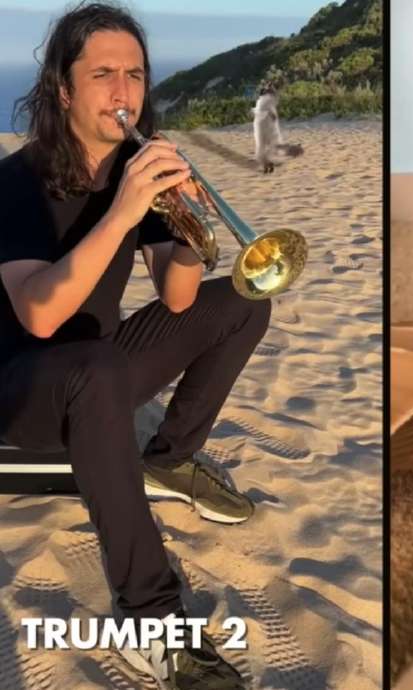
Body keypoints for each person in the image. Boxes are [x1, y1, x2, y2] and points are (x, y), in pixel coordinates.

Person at [0, 3, 265, 686]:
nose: (124, 95)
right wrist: (122, 215)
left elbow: (177, 300)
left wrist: (187, 234)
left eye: (137, 76)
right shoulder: (15, 182)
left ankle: (171, 460)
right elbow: (39, 314)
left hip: (104, 369)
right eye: (104, 75)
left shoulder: (132, 171)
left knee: (244, 296)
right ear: (63, 89)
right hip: (23, 388)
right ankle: (150, 616)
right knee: (93, 361)